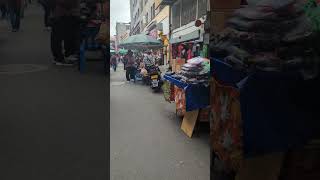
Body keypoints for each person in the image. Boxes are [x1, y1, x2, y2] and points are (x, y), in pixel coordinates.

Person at [51, 0, 80, 65]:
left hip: (63, 13)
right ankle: (60, 58)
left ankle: (63, 56)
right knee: (59, 37)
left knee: (65, 35)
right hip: (62, 13)